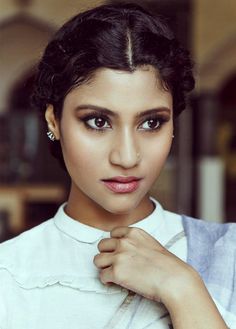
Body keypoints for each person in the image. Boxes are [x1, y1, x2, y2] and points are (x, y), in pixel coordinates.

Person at [0, 3, 235, 328]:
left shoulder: (227, 256)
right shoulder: (9, 275)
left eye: (151, 123)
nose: (126, 157)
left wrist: (183, 290)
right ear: (54, 120)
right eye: (98, 121)